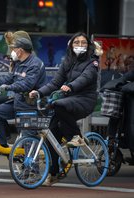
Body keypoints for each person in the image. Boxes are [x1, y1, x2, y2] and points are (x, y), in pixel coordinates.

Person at [29, 32, 100, 186]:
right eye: (77, 42)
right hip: (68, 99)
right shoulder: (67, 61)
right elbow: (55, 83)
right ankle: (54, 173)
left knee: (58, 104)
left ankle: (76, 136)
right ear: (71, 45)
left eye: (83, 43)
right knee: (51, 134)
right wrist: (39, 92)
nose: (80, 46)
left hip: (85, 99)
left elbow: (85, 78)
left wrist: (70, 86)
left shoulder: (92, 63)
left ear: (88, 46)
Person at [0, 32, 47, 153]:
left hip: (31, 106)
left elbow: (27, 84)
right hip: (19, 101)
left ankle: (32, 170)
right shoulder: (18, 63)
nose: (11, 51)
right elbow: (9, 77)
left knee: (28, 137)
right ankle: (3, 145)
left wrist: (7, 88)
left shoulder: (35, 64)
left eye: (13, 49)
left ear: (20, 51)